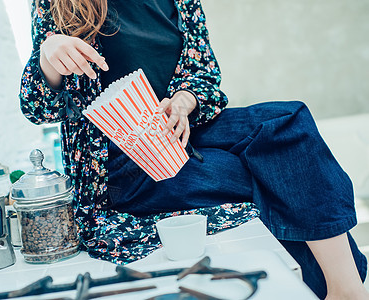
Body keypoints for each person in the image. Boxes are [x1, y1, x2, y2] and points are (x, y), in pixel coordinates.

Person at [19, 0, 369, 299]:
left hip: (185, 132)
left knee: (288, 120)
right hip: (125, 166)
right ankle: (341, 288)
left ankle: (345, 288)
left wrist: (185, 101)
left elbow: (204, 74)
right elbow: (38, 108)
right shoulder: (58, 3)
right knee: (277, 173)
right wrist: (47, 59)